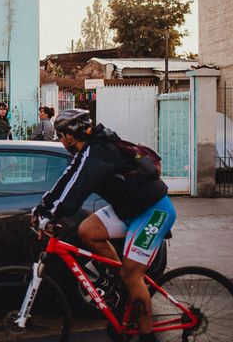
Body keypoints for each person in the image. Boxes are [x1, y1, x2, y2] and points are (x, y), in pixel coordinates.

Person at [31, 109, 175, 342]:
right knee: (87, 231)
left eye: (60, 135)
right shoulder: (88, 152)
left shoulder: (98, 153)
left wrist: (52, 215)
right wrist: (43, 207)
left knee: (133, 275)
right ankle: (122, 280)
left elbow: (77, 190)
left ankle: (148, 337)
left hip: (153, 211)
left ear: (69, 136)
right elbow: (68, 179)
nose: (60, 140)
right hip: (128, 209)